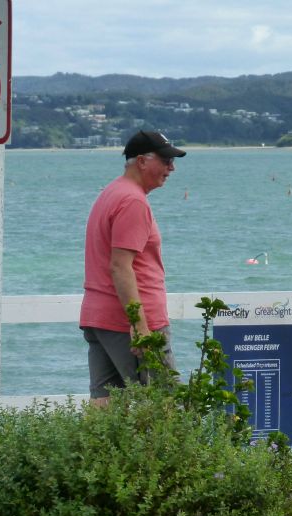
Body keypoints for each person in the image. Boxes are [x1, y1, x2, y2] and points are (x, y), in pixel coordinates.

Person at [79, 129, 185, 405]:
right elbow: (120, 267)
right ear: (141, 161)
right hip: (132, 322)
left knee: (106, 408)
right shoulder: (133, 202)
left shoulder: (111, 193)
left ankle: (88, 451)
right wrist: (139, 326)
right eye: (165, 161)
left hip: (99, 316)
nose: (171, 168)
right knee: (168, 406)